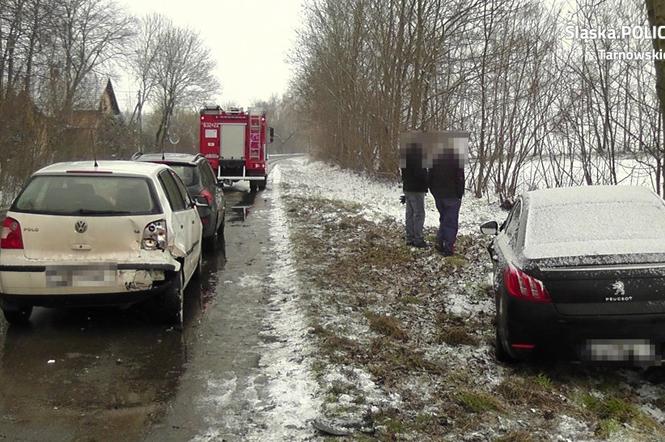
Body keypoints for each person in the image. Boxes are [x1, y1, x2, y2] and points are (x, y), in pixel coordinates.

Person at [429, 144, 465, 256]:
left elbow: (430, 177)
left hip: (439, 195)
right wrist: (459, 194)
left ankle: (440, 242)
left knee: (444, 219)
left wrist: (434, 192)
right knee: (451, 222)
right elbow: (460, 178)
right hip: (452, 195)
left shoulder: (435, 159)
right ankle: (448, 248)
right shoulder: (457, 160)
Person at [400, 143, 429, 248]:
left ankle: (410, 237)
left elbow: (403, 174)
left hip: (408, 188)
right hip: (417, 189)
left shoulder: (405, 155)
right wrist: (427, 183)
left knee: (410, 213)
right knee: (419, 214)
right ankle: (418, 239)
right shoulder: (418, 157)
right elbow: (421, 174)